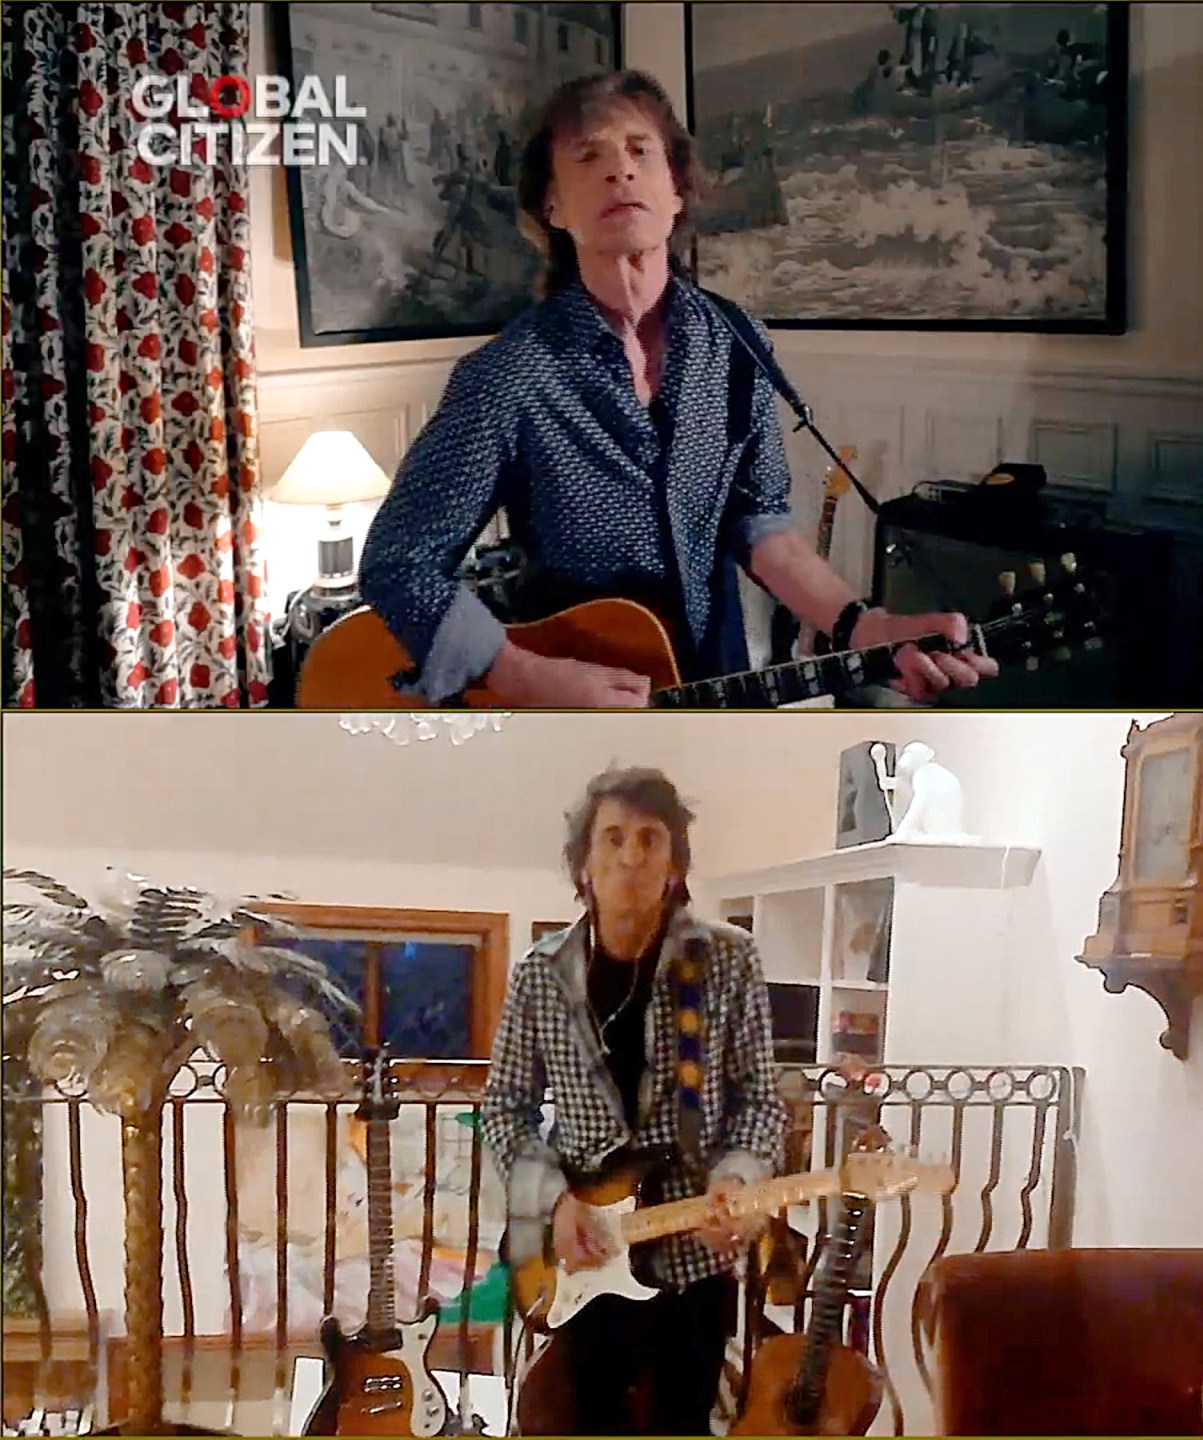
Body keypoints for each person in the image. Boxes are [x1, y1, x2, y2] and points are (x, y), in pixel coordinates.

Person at [359, 71, 995, 706]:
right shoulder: (506, 376)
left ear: (677, 191)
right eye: (589, 156)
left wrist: (865, 625)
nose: (620, 171)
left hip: (714, 680)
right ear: (552, 207)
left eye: (641, 150)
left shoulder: (738, 342)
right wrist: (528, 675)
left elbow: (759, 522)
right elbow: (398, 563)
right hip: (569, 706)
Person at [484, 766, 785, 1434]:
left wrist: (737, 1178)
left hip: (693, 1256)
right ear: (583, 866)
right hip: (583, 1253)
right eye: (612, 839)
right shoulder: (540, 973)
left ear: (675, 866)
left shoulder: (729, 961)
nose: (630, 856)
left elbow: (760, 1101)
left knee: (683, 1421)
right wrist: (553, 1203)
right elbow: (504, 1104)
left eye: (650, 839)